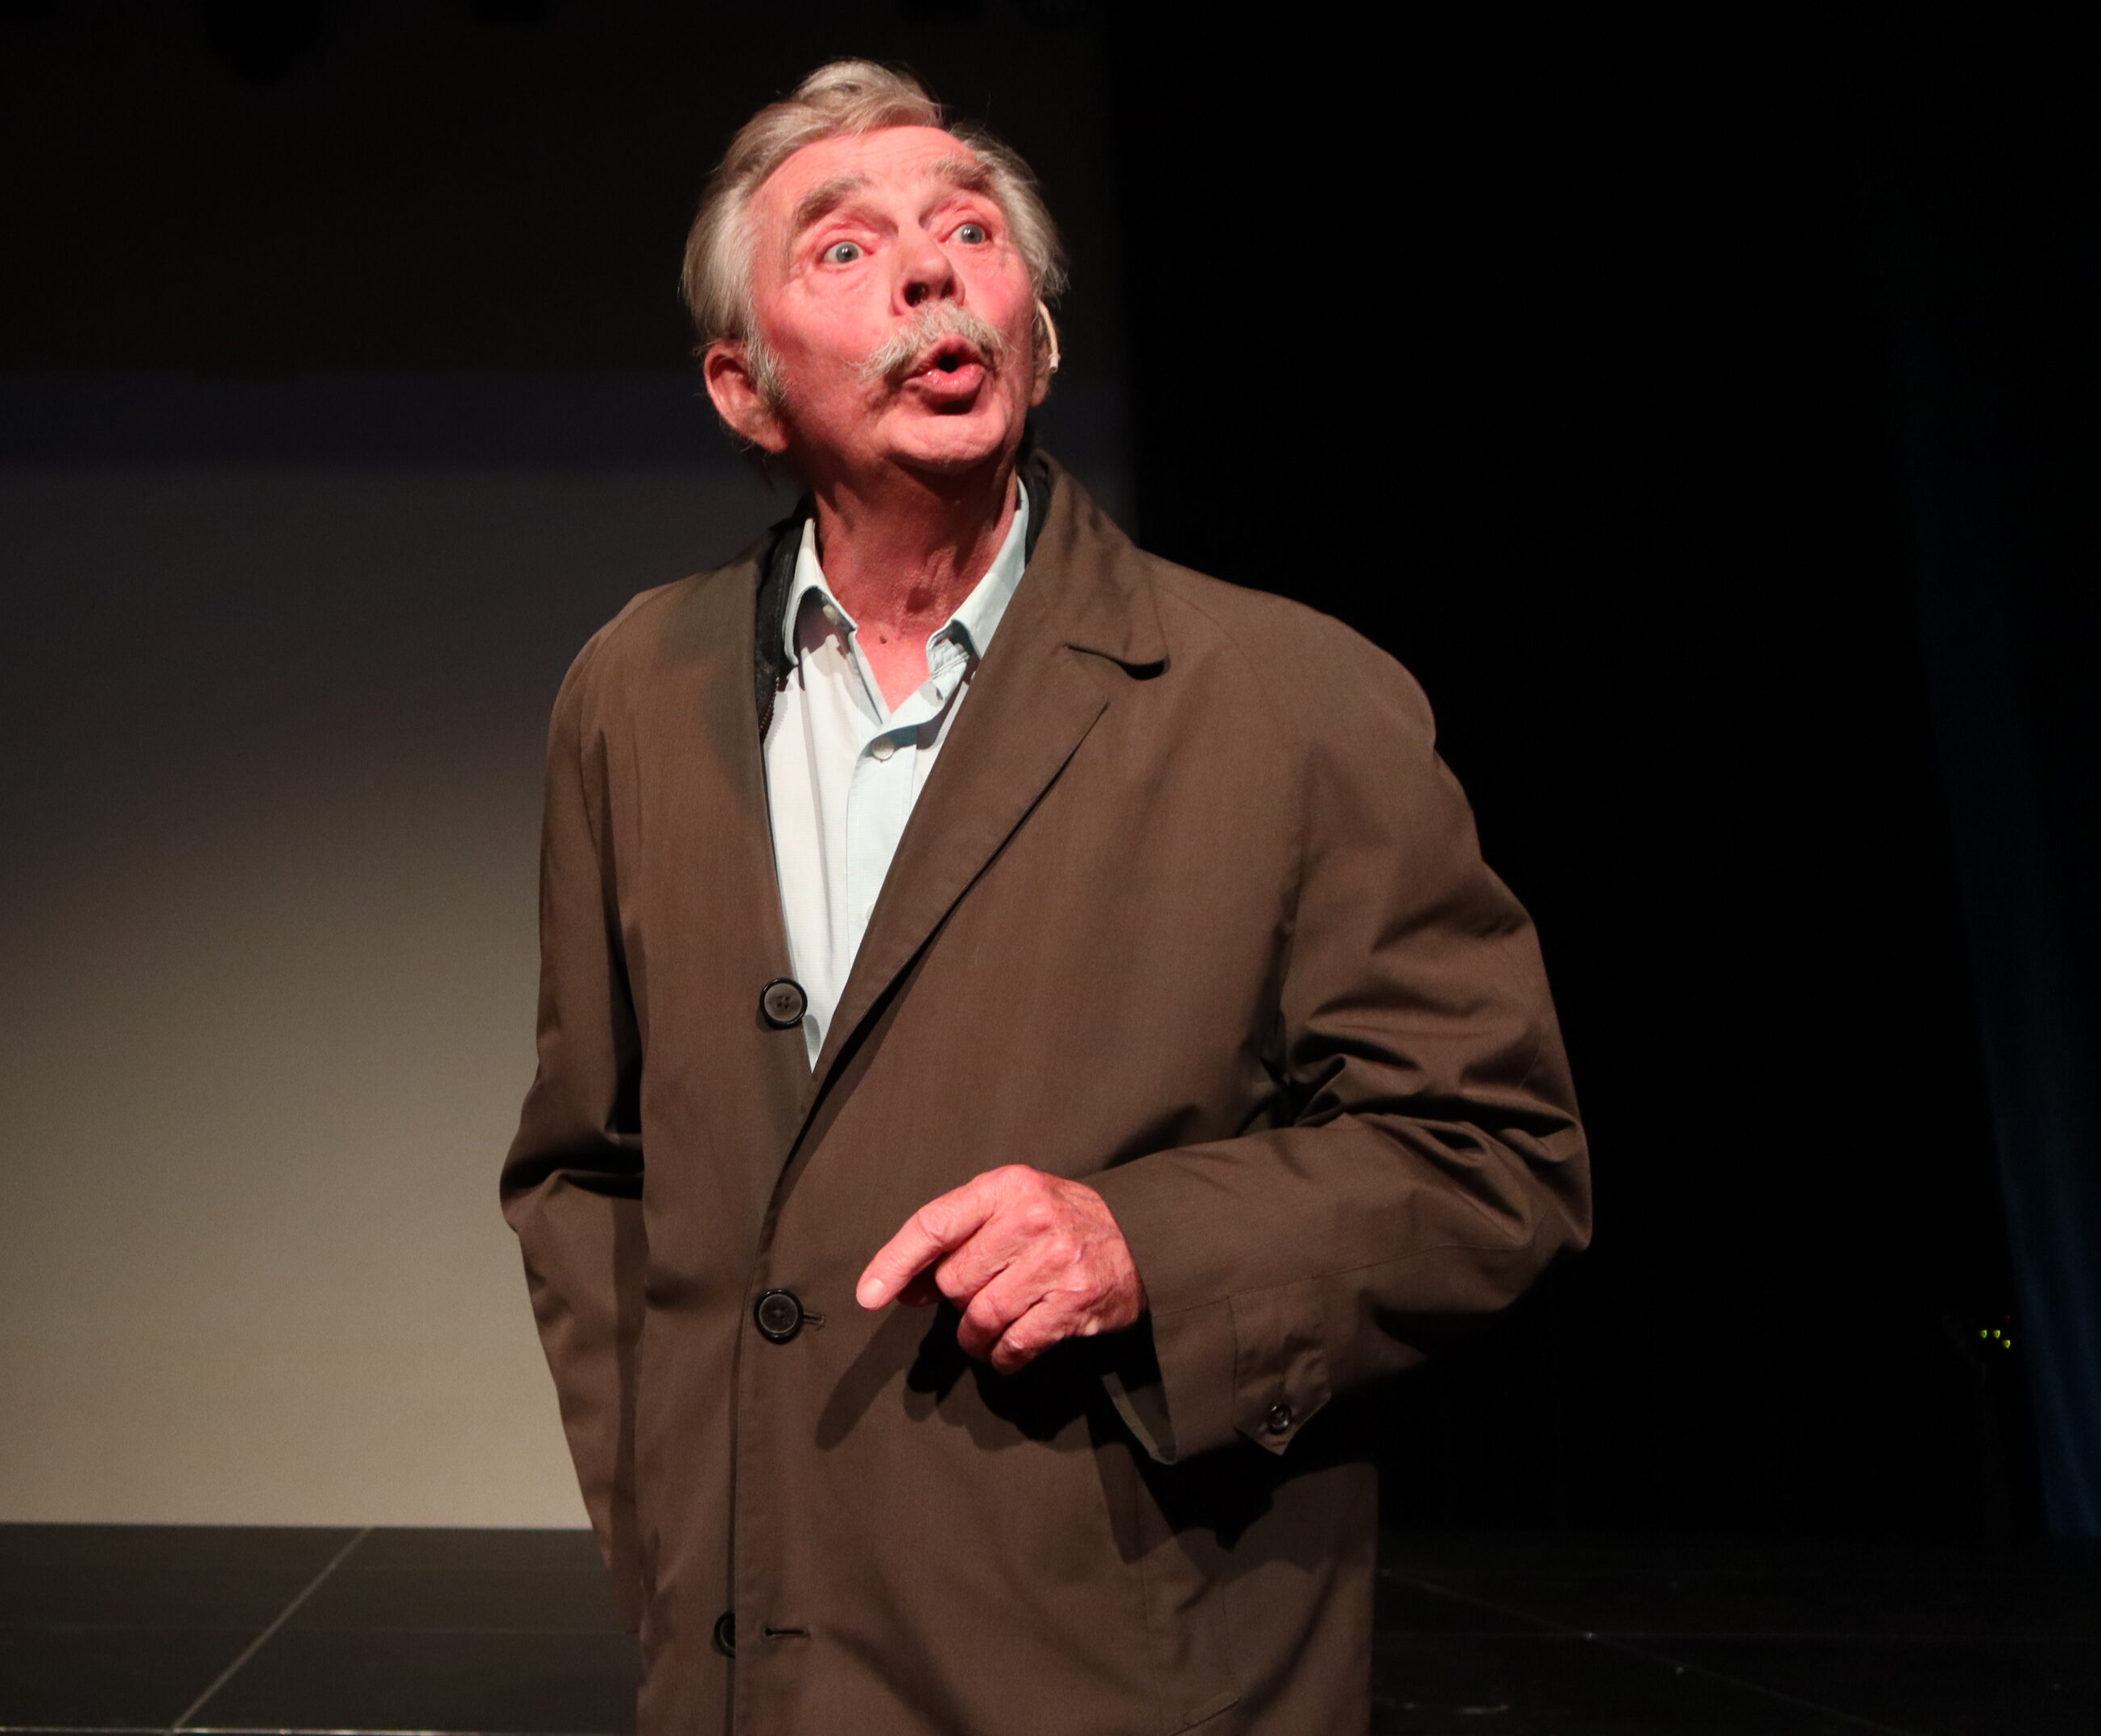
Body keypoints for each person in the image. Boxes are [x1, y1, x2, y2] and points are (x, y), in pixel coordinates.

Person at [502, 60, 1590, 1736]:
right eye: (845, 248)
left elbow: (1494, 1159)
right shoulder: (634, 694)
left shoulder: (1292, 696)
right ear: (744, 387)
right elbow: (590, 1170)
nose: (928, 272)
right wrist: (671, 1537)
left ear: (1043, 337)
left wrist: (1146, 1244)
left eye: (969, 231)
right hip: (748, 1677)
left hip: (1120, 1667)